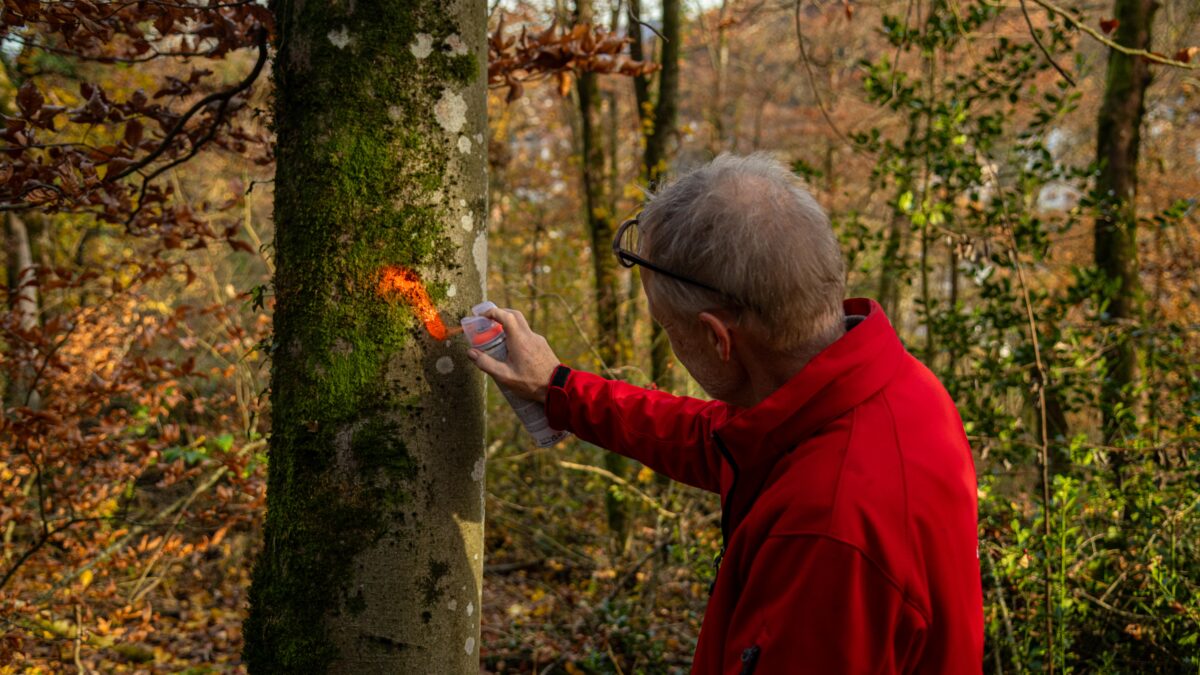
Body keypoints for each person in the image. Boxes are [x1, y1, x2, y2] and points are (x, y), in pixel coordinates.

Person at [467, 154, 983, 673]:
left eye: (669, 329)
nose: (671, 343)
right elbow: (714, 439)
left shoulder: (824, 531)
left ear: (718, 339)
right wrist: (559, 389)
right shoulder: (885, 388)